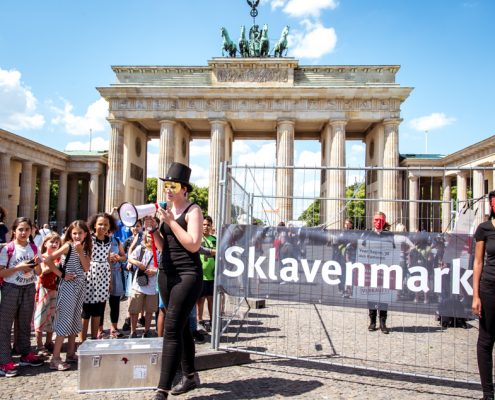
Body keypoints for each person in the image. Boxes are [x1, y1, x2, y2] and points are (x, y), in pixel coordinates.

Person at [149, 162, 203, 400]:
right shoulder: (166, 212)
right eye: (166, 185)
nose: (168, 190)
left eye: (173, 186)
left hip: (187, 275)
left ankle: (162, 390)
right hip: (166, 273)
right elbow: (164, 247)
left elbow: (193, 244)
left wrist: (170, 222)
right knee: (180, 328)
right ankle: (190, 375)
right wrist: (153, 231)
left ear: (184, 189)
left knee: (171, 329)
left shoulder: (193, 211)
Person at [44, 220, 92, 370]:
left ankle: (71, 353)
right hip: (68, 286)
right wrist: (61, 274)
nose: (77, 235)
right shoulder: (67, 246)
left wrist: (80, 252)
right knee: (64, 320)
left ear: (85, 234)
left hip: (80, 285)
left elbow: (86, 268)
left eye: (80, 233)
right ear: (70, 234)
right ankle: (55, 357)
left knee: (74, 319)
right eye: (74, 233)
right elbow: (49, 259)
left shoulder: (86, 248)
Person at [0, 217, 44, 377]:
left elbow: (39, 272)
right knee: (5, 325)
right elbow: (1, 272)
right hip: (11, 288)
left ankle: (25, 353)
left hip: (28, 287)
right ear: (14, 231)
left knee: (25, 323)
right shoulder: (8, 249)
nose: (24, 232)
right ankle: (4, 360)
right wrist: (18, 268)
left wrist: (37, 264)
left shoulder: (33, 248)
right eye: (21, 229)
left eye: (27, 229)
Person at [472, 190, 495, 400]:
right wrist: (475, 295)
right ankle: (488, 393)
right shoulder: (484, 229)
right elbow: (478, 262)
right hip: (489, 288)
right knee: (486, 340)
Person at [81, 212, 116, 341]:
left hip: (103, 276)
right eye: (100, 224)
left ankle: (94, 339)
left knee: (98, 310)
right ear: (94, 225)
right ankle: (82, 341)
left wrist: (110, 280)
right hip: (90, 275)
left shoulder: (109, 240)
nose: (103, 227)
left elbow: (108, 260)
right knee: (86, 310)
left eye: (106, 224)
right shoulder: (89, 238)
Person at [33, 232, 62, 356]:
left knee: (53, 316)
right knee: (41, 316)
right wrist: (56, 265)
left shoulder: (59, 258)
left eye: (57, 242)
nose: (55, 244)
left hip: (56, 289)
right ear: (45, 243)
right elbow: (43, 271)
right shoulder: (43, 257)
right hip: (44, 289)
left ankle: (48, 341)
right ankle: (39, 344)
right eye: (52, 242)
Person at [127, 231, 159, 338]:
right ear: (146, 237)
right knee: (134, 310)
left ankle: (146, 331)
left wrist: (155, 271)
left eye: (153, 237)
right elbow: (130, 258)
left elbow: (162, 266)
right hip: (139, 284)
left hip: (153, 285)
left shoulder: (159, 250)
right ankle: (133, 331)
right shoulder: (141, 248)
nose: (151, 239)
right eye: (149, 236)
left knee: (150, 310)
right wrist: (138, 263)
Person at [196, 215, 216, 333]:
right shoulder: (198, 238)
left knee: (211, 299)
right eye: (203, 224)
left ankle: (213, 321)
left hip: (212, 275)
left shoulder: (214, 239)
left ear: (211, 226)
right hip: (201, 274)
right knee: (200, 299)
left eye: (208, 225)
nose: (205, 227)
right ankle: (200, 321)